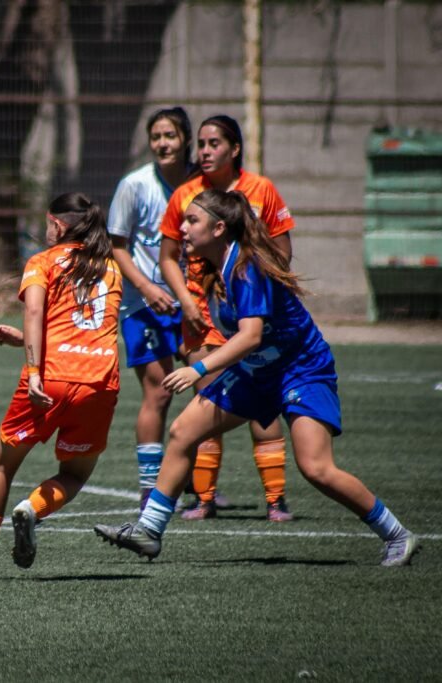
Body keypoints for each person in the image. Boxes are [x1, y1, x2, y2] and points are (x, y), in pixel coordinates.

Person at [93, 189, 420, 567]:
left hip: (301, 368)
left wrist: (197, 369)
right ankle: (149, 531)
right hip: (258, 371)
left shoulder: (246, 268)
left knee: (315, 468)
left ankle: (397, 534)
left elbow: (251, 335)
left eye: (191, 221)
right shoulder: (220, 267)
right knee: (183, 431)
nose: (181, 228)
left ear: (218, 228)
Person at [0, 192, 122, 581]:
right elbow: (81, 325)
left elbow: (35, 310)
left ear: (58, 224)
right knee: (75, 474)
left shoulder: (43, 261)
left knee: (2, 466)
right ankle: (32, 509)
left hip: (50, 378)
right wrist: (26, 339)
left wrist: (33, 370)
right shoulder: (110, 266)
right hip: (100, 381)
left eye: (48, 223)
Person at [157, 114, 294, 522]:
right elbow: (166, 257)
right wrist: (185, 299)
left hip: (250, 318)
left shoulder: (261, 190)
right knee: (209, 404)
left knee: (261, 406)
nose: (204, 151)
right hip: (201, 318)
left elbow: (282, 252)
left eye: (214, 143)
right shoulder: (185, 194)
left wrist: (255, 289)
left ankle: (275, 499)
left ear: (235, 149)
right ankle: (205, 498)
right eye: (200, 143)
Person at [106, 106, 194, 509]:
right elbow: (117, 245)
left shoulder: (201, 184)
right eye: (156, 136)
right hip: (145, 304)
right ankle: (148, 488)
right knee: (157, 394)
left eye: (170, 136)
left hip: (196, 301)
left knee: (208, 390)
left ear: (185, 140)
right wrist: (145, 287)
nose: (162, 144)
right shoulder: (134, 185)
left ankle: (200, 488)